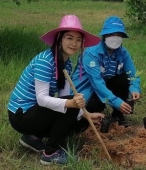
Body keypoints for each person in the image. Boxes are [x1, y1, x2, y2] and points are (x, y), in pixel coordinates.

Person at [8, 14, 104, 165]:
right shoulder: (45, 61)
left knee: (78, 122)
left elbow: (65, 95)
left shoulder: (66, 63)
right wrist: (71, 105)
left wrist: (86, 114)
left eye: (78, 39)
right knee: (70, 107)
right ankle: (50, 153)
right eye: (69, 38)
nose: (74, 43)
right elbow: (42, 99)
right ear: (59, 38)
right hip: (21, 115)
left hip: (35, 111)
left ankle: (32, 138)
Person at [71, 16, 141, 128]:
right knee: (86, 117)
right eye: (111, 34)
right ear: (104, 36)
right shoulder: (91, 54)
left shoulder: (123, 53)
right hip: (87, 90)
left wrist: (135, 88)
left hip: (104, 86)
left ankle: (118, 115)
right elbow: (97, 83)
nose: (115, 38)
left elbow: (132, 74)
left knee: (123, 78)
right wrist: (117, 102)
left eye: (119, 35)